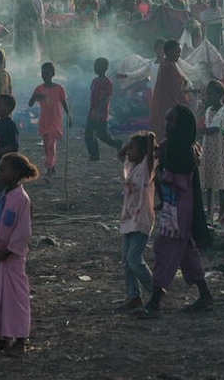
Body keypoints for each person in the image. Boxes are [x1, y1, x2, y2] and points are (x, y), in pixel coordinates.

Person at [140, 105, 214, 316]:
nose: (167, 125)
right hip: (174, 207)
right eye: (167, 120)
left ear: (181, 126)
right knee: (187, 253)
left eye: (171, 121)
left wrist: (163, 176)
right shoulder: (171, 147)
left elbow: (180, 181)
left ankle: (155, 301)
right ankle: (205, 295)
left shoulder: (183, 151)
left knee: (166, 249)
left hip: (179, 210)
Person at [0, 152, 36, 355]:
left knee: (17, 300)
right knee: (1, 299)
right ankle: (3, 337)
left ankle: (21, 340)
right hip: (0, 257)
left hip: (13, 259)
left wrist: (5, 252)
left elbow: (23, 232)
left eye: (3, 171)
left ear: (15, 173)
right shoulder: (2, 196)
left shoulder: (22, 200)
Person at [118, 131, 157, 312]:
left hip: (141, 218)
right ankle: (133, 296)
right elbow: (121, 154)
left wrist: (149, 139)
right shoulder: (131, 167)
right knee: (127, 260)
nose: (128, 153)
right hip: (128, 219)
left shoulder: (145, 168)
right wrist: (130, 145)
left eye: (132, 149)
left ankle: (155, 290)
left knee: (134, 259)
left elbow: (149, 156)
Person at [199, 79, 224, 221]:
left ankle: (221, 211)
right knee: (209, 179)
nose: (209, 97)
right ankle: (209, 211)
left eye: (212, 94)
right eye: (208, 95)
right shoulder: (208, 111)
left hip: (219, 149)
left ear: (221, 95)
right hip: (208, 148)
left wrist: (219, 130)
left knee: (221, 180)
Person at [29, 62, 70, 180]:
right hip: (44, 121)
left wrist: (69, 116)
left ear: (53, 74)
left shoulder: (59, 88)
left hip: (55, 121)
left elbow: (63, 102)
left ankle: (48, 170)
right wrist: (37, 97)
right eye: (43, 74)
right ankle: (52, 168)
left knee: (51, 145)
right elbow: (30, 103)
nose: (45, 76)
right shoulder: (39, 88)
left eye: (47, 73)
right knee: (47, 147)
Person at [148, 39, 190, 140]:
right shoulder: (168, 66)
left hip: (164, 103)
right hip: (168, 104)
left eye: (179, 52)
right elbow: (175, 89)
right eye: (177, 52)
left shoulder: (166, 64)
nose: (179, 55)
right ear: (169, 52)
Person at [85, 57, 121, 162]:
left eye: (97, 66)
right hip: (92, 112)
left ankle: (117, 143)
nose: (95, 68)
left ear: (104, 68)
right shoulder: (94, 81)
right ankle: (94, 155)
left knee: (101, 135)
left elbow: (105, 98)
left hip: (101, 113)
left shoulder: (108, 83)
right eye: (95, 66)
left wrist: (98, 111)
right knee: (89, 134)